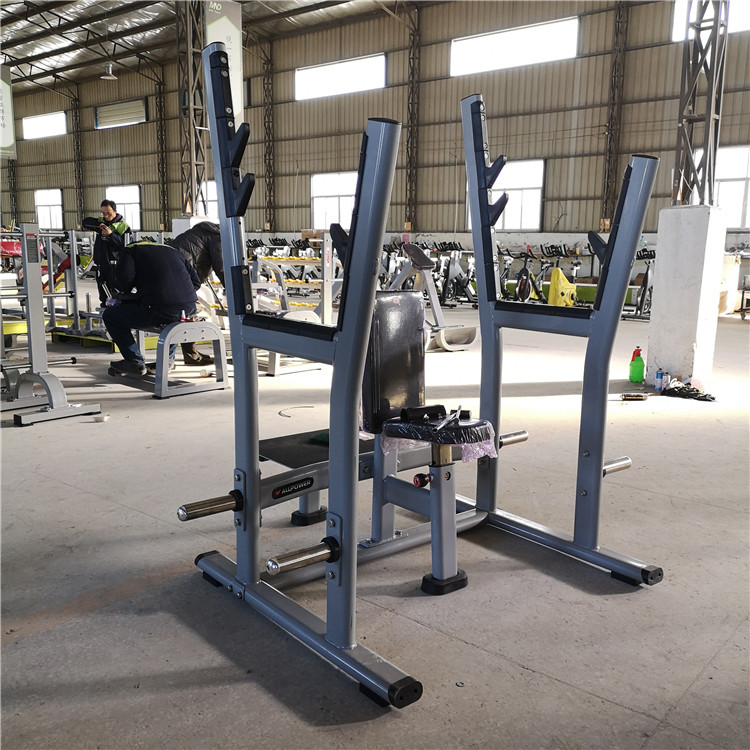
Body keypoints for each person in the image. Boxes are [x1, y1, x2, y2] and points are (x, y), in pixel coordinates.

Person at [102, 240, 201, 375]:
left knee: (110, 316)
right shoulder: (173, 251)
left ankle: (134, 361)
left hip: (160, 309)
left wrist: (128, 291)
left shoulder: (130, 250)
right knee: (172, 317)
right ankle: (167, 360)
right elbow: (196, 282)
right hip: (190, 308)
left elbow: (125, 281)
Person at [167, 221, 224, 366]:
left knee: (182, 312)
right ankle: (172, 359)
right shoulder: (217, 236)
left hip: (171, 269)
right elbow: (220, 267)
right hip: (181, 273)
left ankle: (189, 354)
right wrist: (233, 290)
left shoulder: (200, 232)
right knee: (187, 312)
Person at [91, 200, 131, 305]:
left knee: (117, 293)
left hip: (115, 265)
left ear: (115, 211)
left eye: (108, 213)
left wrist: (111, 235)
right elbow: (85, 222)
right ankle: (104, 309)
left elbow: (126, 245)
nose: (106, 216)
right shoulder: (101, 223)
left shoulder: (123, 226)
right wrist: (99, 224)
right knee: (103, 294)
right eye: (103, 213)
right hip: (101, 264)